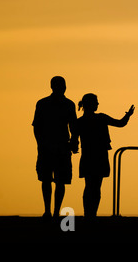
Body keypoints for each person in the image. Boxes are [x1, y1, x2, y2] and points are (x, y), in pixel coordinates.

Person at [75, 93, 134, 219]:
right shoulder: (101, 118)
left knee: (90, 185)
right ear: (90, 104)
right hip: (100, 156)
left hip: (88, 156)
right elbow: (120, 123)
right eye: (96, 102)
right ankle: (92, 214)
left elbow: (74, 140)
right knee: (96, 187)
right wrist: (128, 115)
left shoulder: (80, 122)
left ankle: (89, 214)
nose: (97, 104)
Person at [32, 76, 79, 220]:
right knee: (48, 179)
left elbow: (73, 127)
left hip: (60, 146)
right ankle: (49, 210)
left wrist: (74, 142)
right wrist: (41, 143)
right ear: (53, 87)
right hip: (50, 146)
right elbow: (37, 127)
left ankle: (54, 211)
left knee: (59, 180)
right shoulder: (43, 103)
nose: (62, 88)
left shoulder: (67, 104)